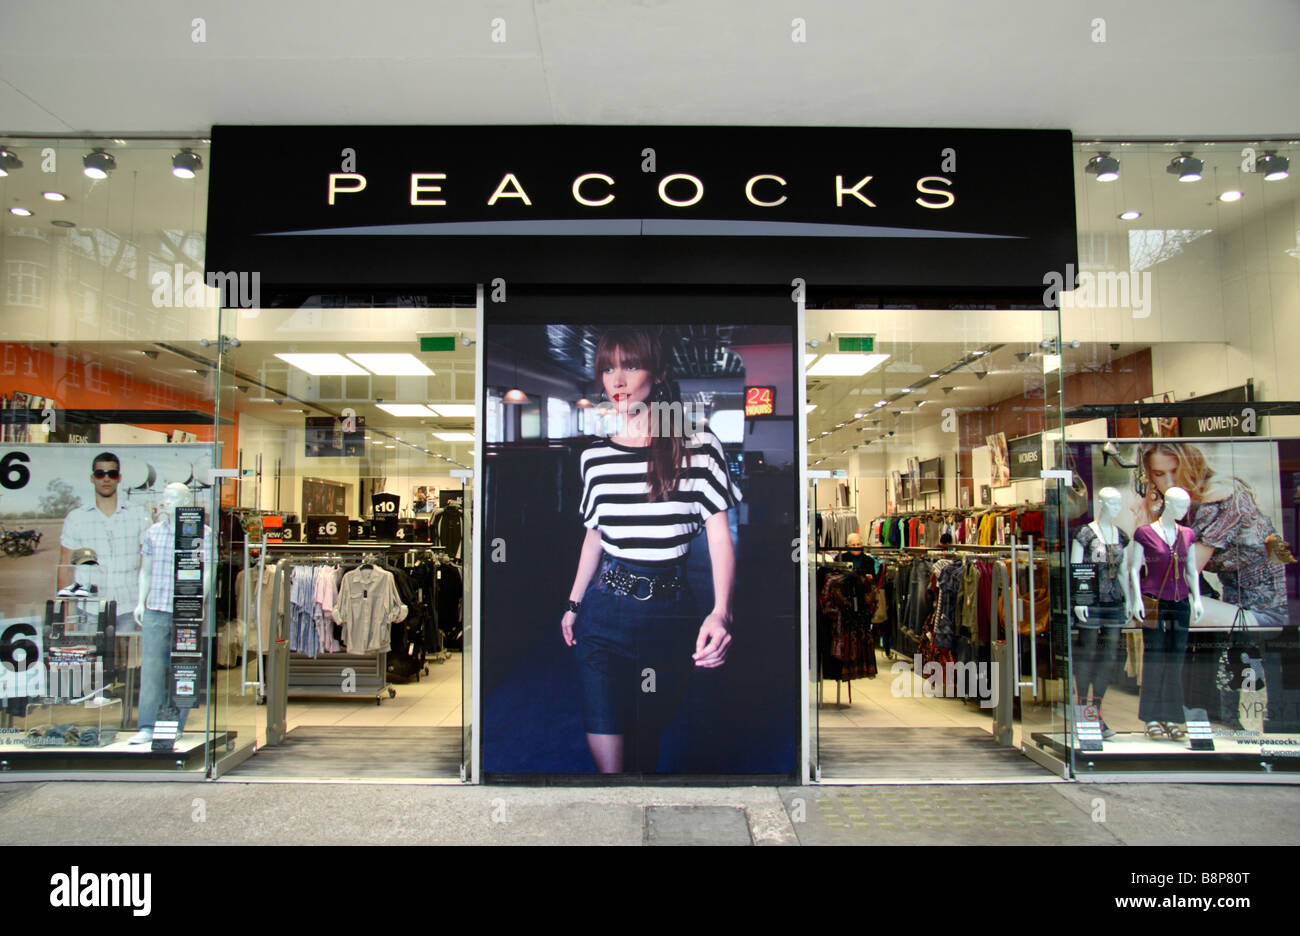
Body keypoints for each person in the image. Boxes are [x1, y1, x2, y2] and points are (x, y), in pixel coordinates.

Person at [561, 327, 741, 774]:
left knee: (646, 747)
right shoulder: (594, 459)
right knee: (612, 770)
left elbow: (720, 534)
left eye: (630, 366)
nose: (616, 381)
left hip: (670, 618)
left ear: (658, 374)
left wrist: (722, 611)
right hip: (603, 618)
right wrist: (573, 603)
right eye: (607, 368)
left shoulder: (699, 447)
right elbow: (595, 536)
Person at [1135, 442, 1291, 630]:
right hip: (1233, 606)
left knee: (1154, 605)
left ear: (1190, 467)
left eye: (1176, 471)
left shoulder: (1221, 497)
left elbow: (1178, 578)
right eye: (1159, 474)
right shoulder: (1176, 507)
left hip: (1268, 612)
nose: (1169, 483)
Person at [1129, 486, 1202, 741]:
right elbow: (1134, 569)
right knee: (1154, 658)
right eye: (1180, 506)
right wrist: (1136, 598)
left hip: (1181, 602)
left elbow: (1192, 570)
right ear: (1168, 505)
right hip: (1154, 602)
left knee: (1175, 661)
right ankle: (1150, 716)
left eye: (1187, 506)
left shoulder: (1188, 534)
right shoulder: (1145, 533)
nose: (1184, 511)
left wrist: (1198, 599)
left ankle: (1172, 716)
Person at [58, 452, 151, 632]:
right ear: (92, 478)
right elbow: (65, 568)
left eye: (112, 474)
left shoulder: (139, 515)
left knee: (128, 661)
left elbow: (147, 566)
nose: (106, 479)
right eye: (100, 474)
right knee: (90, 659)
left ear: (119, 478)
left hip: (128, 607)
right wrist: (66, 616)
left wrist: (144, 605)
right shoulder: (76, 518)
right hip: (88, 609)